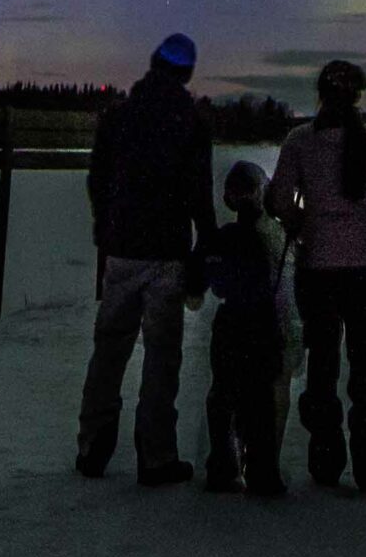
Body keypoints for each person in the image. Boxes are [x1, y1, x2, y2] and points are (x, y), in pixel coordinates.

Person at [80, 31, 218, 485]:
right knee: (161, 356)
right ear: (184, 73)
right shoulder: (189, 122)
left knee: (109, 351)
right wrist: (206, 245)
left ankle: (92, 448)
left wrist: (106, 233)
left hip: (122, 250)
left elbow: (98, 181)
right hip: (165, 254)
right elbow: (199, 195)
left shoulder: (120, 116)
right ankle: (156, 455)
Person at [262, 55, 366, 491]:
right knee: (365, 360)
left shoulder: (299, 141)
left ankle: (325, 460)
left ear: (320, 95)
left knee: (322, 363)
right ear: (357, 96)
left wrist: (301, 223)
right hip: (363, 269)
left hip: (316, 268)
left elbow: (281, 200)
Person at [197, 160, 287, 498]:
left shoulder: (223, 239)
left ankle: (224, 466)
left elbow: (201, 277)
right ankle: (259, 471)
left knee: (224, 393)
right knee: (259, 397)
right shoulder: (268, 239)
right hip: (259, 323)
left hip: (231, 323)